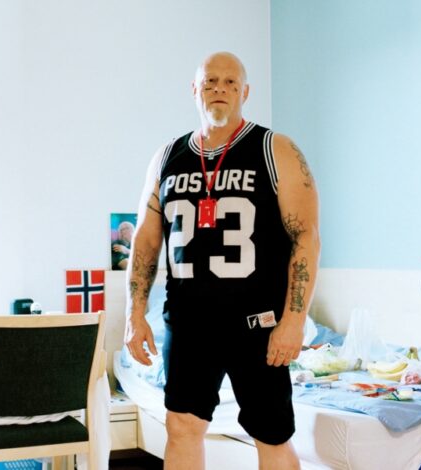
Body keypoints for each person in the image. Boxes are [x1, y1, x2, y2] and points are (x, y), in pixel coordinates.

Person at [124, 51, 320, 470]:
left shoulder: (275, 149)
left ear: (245, 92)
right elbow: (145, 241)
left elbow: (306, 236)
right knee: (182, 426)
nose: (220, 89)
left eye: (231, 82)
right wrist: (134, 314)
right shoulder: (167, 157)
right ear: (194, 90)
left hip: (256, 322)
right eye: (210, 81)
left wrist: (294, 320)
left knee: (271, 434)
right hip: (188, 322)